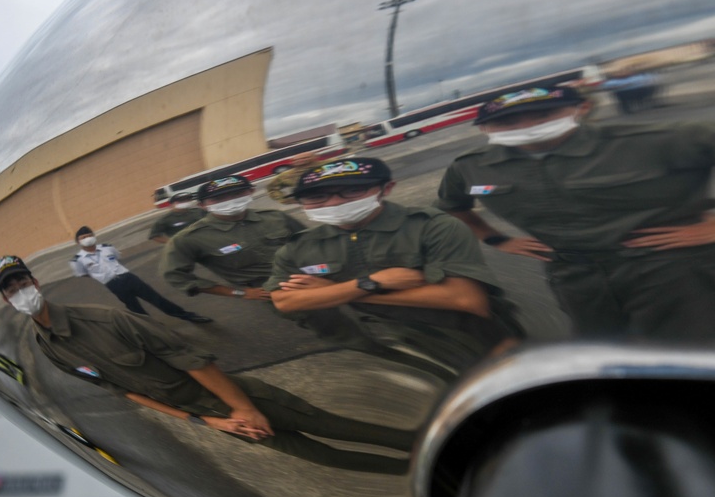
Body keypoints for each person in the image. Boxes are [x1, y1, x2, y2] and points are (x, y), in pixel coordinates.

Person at [0, 255, 414, 474]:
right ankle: (409, 470)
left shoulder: (107, 319)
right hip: (211, 416)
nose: (20, 290)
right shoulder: (48, 348)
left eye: (22, 281)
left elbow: (193, 360)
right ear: (6, 299)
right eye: (10, 288)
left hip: (234, 398)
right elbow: (126, 392)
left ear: (35, 282)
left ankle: (425, 445)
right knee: (326, 457)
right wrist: (203, 422)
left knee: (340, 428)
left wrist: (242, 409)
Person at [433, 85, 715, 340]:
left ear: (581, 108)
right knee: (605, 350)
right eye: (506, 121)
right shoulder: (471, 168)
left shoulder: (656, 140)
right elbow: (452, 208)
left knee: (689, 349)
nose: (526, 125)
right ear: (485, 129)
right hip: (574, 276)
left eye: (543, 114)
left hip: (670, 269)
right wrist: (498, 240)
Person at [266, 157, 521, 352]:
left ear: (386, 188)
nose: (334, 203)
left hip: (473, 335)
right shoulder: (299, 247)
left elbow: (466, 300)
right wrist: (370, 284)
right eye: (317, 196)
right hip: (397, 341)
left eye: (352, 191)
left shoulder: (431, 226)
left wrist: (339, 291)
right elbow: (285, 302)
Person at [160, 175, 306, 300]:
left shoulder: (275, 216)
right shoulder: (188, 238)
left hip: (309, 273)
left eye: (238, 194)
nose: (230, 201)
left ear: (251, 192)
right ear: (202, 205)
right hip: (272, 289)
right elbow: (175, 276)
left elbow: (310, 242)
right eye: (218, 198)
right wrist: (239, 293)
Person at [70, 226, 212, 324]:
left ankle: (188, 316)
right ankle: (152, 328)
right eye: (83, 237)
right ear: (78, 241)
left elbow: (116, 257)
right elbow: (83, 274)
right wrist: (102, 276)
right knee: (134, 307)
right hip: (113, 284)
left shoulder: (108, 248)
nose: (87, 238)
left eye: (89, 235)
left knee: (156, 298)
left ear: (94, 236)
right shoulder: (77, 260)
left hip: (129, 278)